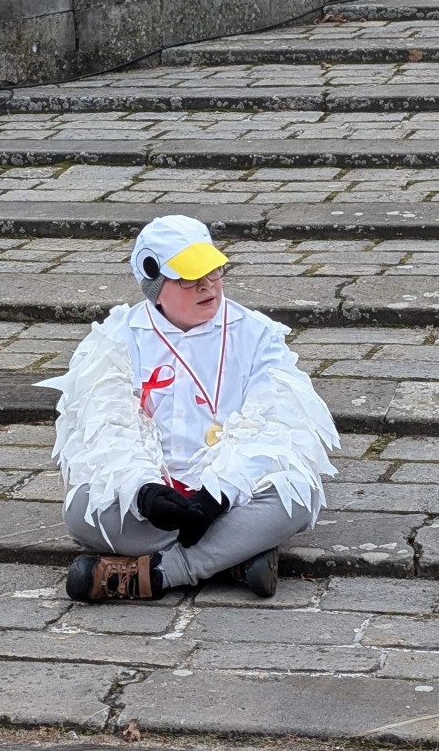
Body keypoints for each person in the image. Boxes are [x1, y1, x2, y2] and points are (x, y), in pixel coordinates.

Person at [37, 215, 339, 602]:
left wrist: (219, 495)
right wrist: (143, 490)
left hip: (230, 491)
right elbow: (104, 423)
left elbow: (277, 422)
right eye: (188, 277)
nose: (207, 285)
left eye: (213, 271)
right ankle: (235, 557)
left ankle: (163, 573)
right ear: (154, 284)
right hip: (156, 497)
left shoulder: (258, 333)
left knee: (296, 498)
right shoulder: (116, 338)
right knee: (81, 513)